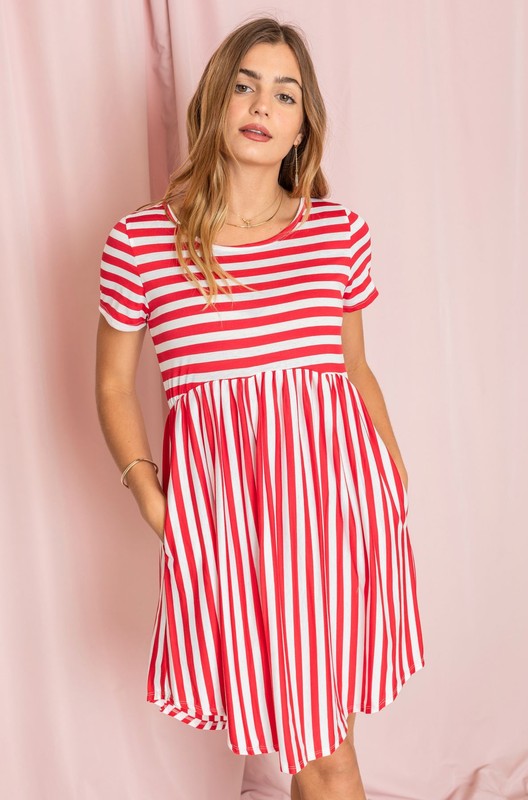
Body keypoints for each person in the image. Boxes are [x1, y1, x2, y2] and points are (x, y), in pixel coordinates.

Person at [95, 15, 425, 800]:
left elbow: (352, 368)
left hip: (338, 513)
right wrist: (151, 495)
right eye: (244, 84)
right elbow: (112, 384)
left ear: (302, 124)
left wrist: (391, 476)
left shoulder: (335, 232)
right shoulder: (141, 242)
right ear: (214, 98)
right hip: (227, 521)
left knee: (323, 744)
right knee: (312, 741)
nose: (260, 105)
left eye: (284, 94)